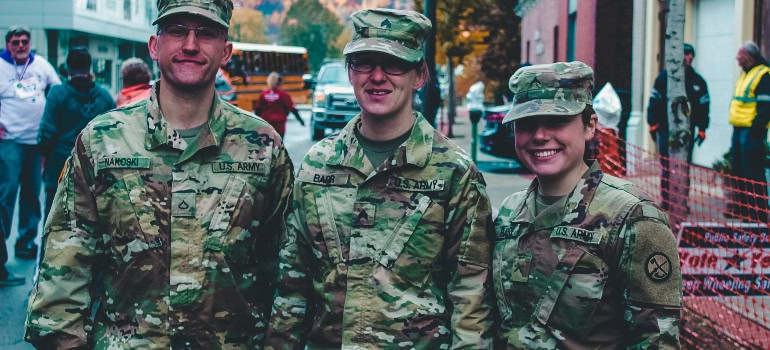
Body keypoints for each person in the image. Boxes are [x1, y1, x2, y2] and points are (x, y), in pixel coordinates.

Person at [25, 0, 294, 347]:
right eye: (177, 30)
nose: (191, 45)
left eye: (207, 33)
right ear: (155, 46)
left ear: (226, 51)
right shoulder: (103, 142)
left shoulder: (263, 147)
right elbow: (63, 274)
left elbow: (289, 277)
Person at [266, 8, 495, 349]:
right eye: (364, 62)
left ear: (419, 75)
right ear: (350, 72)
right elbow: (293, 284)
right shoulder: (319, 166)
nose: (377, 76)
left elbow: (470, 299)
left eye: (394, 64)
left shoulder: (453, 172)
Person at [495, 62, 682, 349]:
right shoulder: (509, 213)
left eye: (557, 121)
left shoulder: (633, 217)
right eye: (527, 124)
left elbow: (656, 340)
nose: (540, 135)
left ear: (590, 126)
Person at [0, 25, 61, 262]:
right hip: (9, 142)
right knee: (6, 194)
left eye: (24, 41)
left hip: (36, 143)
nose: (21, 46)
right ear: (8, 44)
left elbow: (57, 91)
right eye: (15, 42)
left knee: (32, 194)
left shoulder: (41, 64)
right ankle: (1, 245)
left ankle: (26, 242)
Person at [38, 47, 116, 221]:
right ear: (90, 68)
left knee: (54, 219)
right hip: (94, 167)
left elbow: (46, 133)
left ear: (68, 67)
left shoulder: (58, 94)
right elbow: (114, 133)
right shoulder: (104, 96)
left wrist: (44, 159)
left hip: (60, 166)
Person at [647, 43, 710, 210]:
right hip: (665, 130)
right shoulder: (664, 78)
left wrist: (702, 129)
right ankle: (666, 200)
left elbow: (704, 106)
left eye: (691, 55)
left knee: (683, 167)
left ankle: (682, 201)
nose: (688, 58)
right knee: (666, 166)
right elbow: (654, 101)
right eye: (686, 54)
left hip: (686, 132)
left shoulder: (698, 82)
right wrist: (652, 124)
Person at [728, 41, 770, 222]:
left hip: (751, 132)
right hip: (738, 131)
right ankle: (745, 212)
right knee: (739, 172)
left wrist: (755, 131)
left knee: (753, 172)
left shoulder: (763, 75)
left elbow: (765, 108)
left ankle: (759, 214)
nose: (737, 58)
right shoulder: (746, 74)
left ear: (750, 56)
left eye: (740, 54)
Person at [254, 71, 304, 137]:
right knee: (278, 145)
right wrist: (300, 120)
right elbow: (292, 108)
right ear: (279, 83)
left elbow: (257, 109)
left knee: (267, 145)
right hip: (279, 125)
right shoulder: (283, 94)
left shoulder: (264, 94)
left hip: (266, 124)